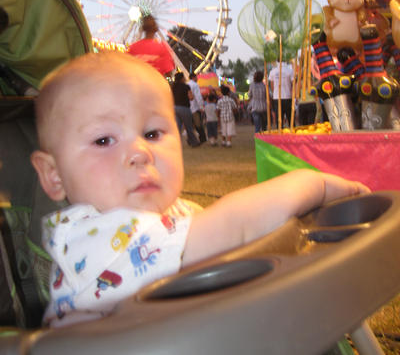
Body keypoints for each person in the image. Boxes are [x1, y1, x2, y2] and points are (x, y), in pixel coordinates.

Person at [30, 52, 369, 327]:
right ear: (54, 175)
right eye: (103, 140)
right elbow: (233, 227)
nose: (139, 152)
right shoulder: (93, 239)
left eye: (152, 133)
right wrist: (316, 184)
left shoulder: (176, 213)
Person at [171, 72, 200, 148]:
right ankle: (193, 142)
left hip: (175, 108)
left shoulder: (173, 86)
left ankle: (176, 143)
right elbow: (191, 97)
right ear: (182, 78)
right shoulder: (186, 86)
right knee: (188, 126)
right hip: (184, 108)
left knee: (177, 127)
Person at [269, 61, 294, 127]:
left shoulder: (272, 71)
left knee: (279, 120)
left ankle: (280, 134)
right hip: (287, 96)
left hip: (277, 97)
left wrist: (275, 92)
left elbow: (272, 86)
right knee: (290, 118)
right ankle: (293, 134)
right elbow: (293, 84)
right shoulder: (290, 70)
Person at [187, 73, 207, 144]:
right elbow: (198, 96)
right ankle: (202, 138)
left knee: (190, 125)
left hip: (188, 107)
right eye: (196, 77)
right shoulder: (195, 85)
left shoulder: (187, 84)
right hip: (195, 107)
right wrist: (201, 106)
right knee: (198, 124)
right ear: (193, 77)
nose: (197, 78)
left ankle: (191, 140)